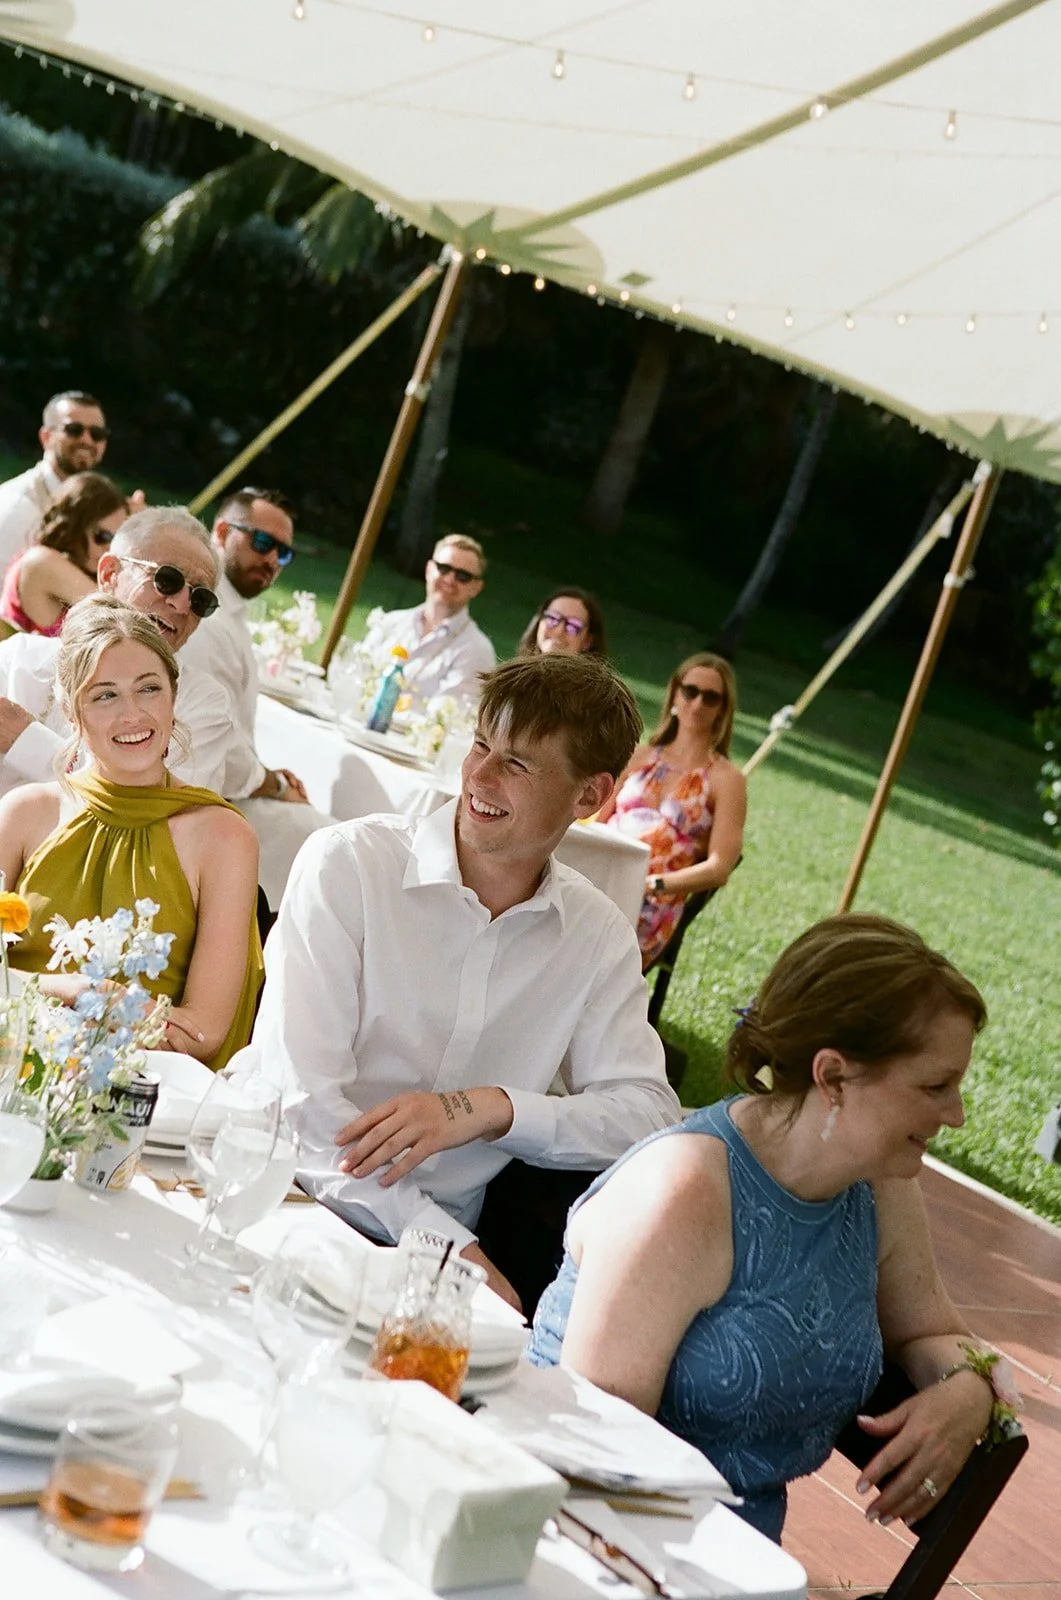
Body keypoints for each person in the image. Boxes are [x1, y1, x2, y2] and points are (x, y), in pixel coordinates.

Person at [529, 914, 1013, 1543]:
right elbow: (593, 1456)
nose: (958, 1114)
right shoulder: (684, 1193)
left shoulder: (881, 1187)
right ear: (833, 1076)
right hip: (582, 1534)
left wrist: (970, 1389)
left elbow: (933, 1330)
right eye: (935, 1086)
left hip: (734, 1558)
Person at [231, 653, 681, 1310]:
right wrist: (447, 1248)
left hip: (435, 1259)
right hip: (278, 1193)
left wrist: (489, 1108)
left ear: (590, 795)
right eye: (479, 745)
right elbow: (299, 1109)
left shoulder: (593, 934)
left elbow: (646, 1116)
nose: (479, 775)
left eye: (517, 763)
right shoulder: (350, 866)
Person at [0, 596, 263, 1067]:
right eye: (104, 695)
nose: (132, 715)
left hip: (136, 1081)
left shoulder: (224, 838)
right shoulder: (24, 814)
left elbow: (203, 1029)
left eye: (148, 689)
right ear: (71, 709)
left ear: (173, 697)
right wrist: (77, 990)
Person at [0, 506, 233, 801]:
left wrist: (27, 742)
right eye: (168, 581)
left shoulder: (202, 704)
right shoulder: (21, 659)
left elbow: (161, 815)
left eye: (201, 599)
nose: (182, 605)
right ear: (110, 574)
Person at [180, 484, 336, 907]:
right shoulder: (205, 617)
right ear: (221, 531)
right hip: (197, 804)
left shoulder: (228, 610)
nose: (271, 560)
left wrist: (269, 778)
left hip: (225, 788)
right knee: (330, 846)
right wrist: (274, 782)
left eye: (283, 553)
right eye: (262, 542)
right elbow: (216, 747)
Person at [599, 651, 746, 968]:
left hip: (652, 900)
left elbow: (720, 868)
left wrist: (657, 885)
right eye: (690, 691)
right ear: (675, 693)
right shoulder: (639, 755)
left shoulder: (726, 780)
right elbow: (595, 817)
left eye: (711, 698)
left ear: (723, 709)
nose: (697, 704)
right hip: (601, 874)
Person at [0, 391, 140, 583]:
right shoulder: (17, 506)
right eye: (74, 430)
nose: (86, 440)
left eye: (97, 434)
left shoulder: (103, 506)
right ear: (46, 437)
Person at [361, 533, 496, 709]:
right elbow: (356, 672)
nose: (449, 579)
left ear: (476, 588)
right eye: (444, 568)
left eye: (463, 576)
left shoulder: (477, 650)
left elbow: (445, 718)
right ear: (428, 570)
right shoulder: (392, 622)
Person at [0, 472, 128, 637]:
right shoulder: (40, 561)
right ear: (74, 528)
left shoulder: (80, 570)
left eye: (118, 539)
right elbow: (126, 617)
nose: (110, 549)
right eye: (102, 536)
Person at [518, 586, 608, 658]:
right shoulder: (515, 676)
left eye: (573, 625)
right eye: (552, 618)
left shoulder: (592, 681)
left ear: (588, 641)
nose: (559, 631)